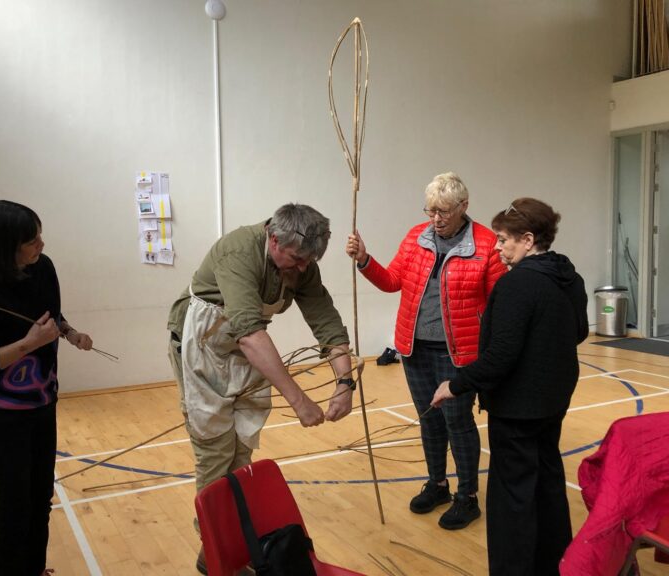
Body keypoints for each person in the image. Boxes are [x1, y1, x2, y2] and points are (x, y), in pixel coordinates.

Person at [167, 203, 355, 575]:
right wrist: (299, 401)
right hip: (203, 344)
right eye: (298, 259)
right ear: (273, 238)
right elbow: (250, 334)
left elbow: (325, 318)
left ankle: (230, 542)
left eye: (310, 261)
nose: (303, 267)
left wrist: (345, 382)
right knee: (214, 449)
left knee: (241, 447)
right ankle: (216, 550)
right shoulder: (239, 252)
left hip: (243, 347)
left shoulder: (301, 261)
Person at [431, 197, 589, 576]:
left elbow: (500, 356)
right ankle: (553, 565)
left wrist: (456, 384)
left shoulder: (517, 284)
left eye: (503, 240)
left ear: (528, 240)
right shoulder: (569, 276)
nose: (498, 248)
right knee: (547, 483)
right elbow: (579, 331)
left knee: (512, 500)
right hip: (553, 401)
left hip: (519, 408)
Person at [346, 172, 506, 530]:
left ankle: (467, 497)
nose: (436, 218)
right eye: (431, 210)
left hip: (459, 353)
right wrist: (365, 260)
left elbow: (500, 303)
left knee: (457, 422)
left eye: (444, 211)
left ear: (463, 206)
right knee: (429, 419)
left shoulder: (485, 244)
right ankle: (437, 484)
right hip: (414, 349)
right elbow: (392, 282)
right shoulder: (416, 237)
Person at [0, 200, 93, 576]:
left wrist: (69, 332)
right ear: (5, 248)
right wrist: (28, 345)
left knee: (40, 500)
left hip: (42, 405)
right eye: (32, 241)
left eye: (39, 236)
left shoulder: (42, 268)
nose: (41, 245)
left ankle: (34, 570)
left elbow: (50, 315)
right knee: (14, 510)